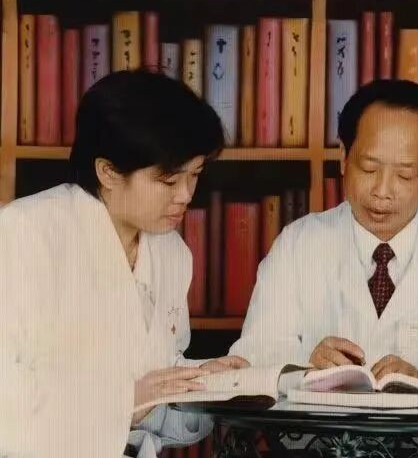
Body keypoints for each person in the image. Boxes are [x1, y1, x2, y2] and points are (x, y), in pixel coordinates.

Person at [0, 70, 247, 458]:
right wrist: (122, 404)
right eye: (168, 181)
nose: (186, 196)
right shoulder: (24, 234)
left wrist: (203, 383)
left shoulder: (172, 253)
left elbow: (153, 390)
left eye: (195, 175)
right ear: (109, 172)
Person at [229, 79, 418, 383]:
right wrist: (306, 365)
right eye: (368, 169)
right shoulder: (298, 245)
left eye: (404, 175)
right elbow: (253, 356)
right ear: (343, 157)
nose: (382, 191)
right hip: (320, 416)